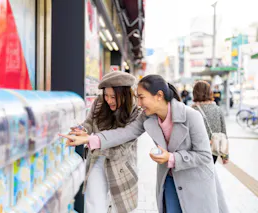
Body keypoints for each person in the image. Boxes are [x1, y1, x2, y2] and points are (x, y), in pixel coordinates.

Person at [61, 74, 229, 213]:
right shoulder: (148, 117)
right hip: (169, 179)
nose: (139, 104)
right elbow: (124, 133)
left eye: (141, 98)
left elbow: (205, 156)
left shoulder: (192, 116)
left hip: (195, 181)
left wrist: (171, 158)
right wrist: (88, 139)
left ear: (159, 96)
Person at [72, 71, 140, 213]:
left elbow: (122, 148)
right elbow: (89, 123)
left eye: (113, 96)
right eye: (106, 95)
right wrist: (82, 130)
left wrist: (92, 142)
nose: (109, 100)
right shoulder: (99, 102)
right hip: (97, 161)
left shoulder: (136, 112)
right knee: (94, 205)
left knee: (120, 208)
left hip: (122, 165)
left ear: (125, 95)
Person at [192, 80, 229, 164]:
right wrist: (225, 155)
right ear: (210, 92)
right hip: (213, 150)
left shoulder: (191, 111)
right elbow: (223, 133)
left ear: (195, 93)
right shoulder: (218, 110)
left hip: (196, 152)